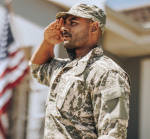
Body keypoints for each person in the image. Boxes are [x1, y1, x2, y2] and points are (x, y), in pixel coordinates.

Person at [29, 4, 131, 139]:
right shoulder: (63, 68)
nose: (64, 28)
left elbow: (113, 134)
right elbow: (38, 68)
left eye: (73, 23)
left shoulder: (108, 72)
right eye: (64, 23)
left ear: (93, 27)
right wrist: (48, 42)